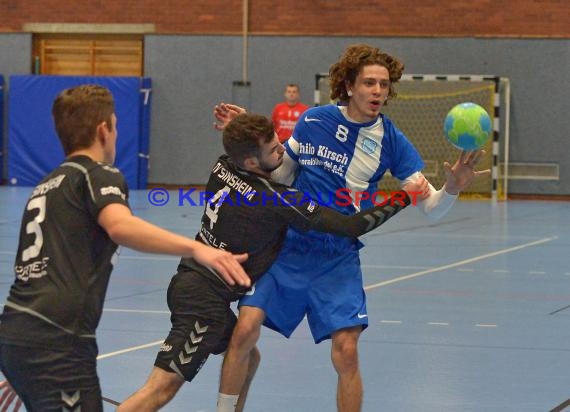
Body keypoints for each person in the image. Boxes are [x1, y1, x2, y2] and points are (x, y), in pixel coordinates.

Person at [214, 44, 490, 412]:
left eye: (384, 85)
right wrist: (255, 138)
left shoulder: (391, 141)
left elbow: (432, 210)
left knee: (346, 350)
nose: (378, 91)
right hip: (289, 245)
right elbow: (283, 172)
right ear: (349, 86)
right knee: (245, 330)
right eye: (369, 83)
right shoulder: (314, 120)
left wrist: (452, 187)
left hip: (337, 256)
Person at [117, 113, 427, 412]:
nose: (283, 148)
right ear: (252, 162)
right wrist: (403, 197)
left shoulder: (223, 165)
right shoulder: (275, 198)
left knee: (249, 357)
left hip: (188, 280)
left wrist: (240, 128)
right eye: (273, 148)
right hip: (204, 303)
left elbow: (240, 148)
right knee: (161, 388)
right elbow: (351, 227)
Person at [0, 84, 251, 412]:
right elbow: (120, 225)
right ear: (104, 130)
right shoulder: (98, 174)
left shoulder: (47, 185)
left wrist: (26, 362)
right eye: (116, 127)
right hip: (59, 340)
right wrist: (198, 249)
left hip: (18, 331)